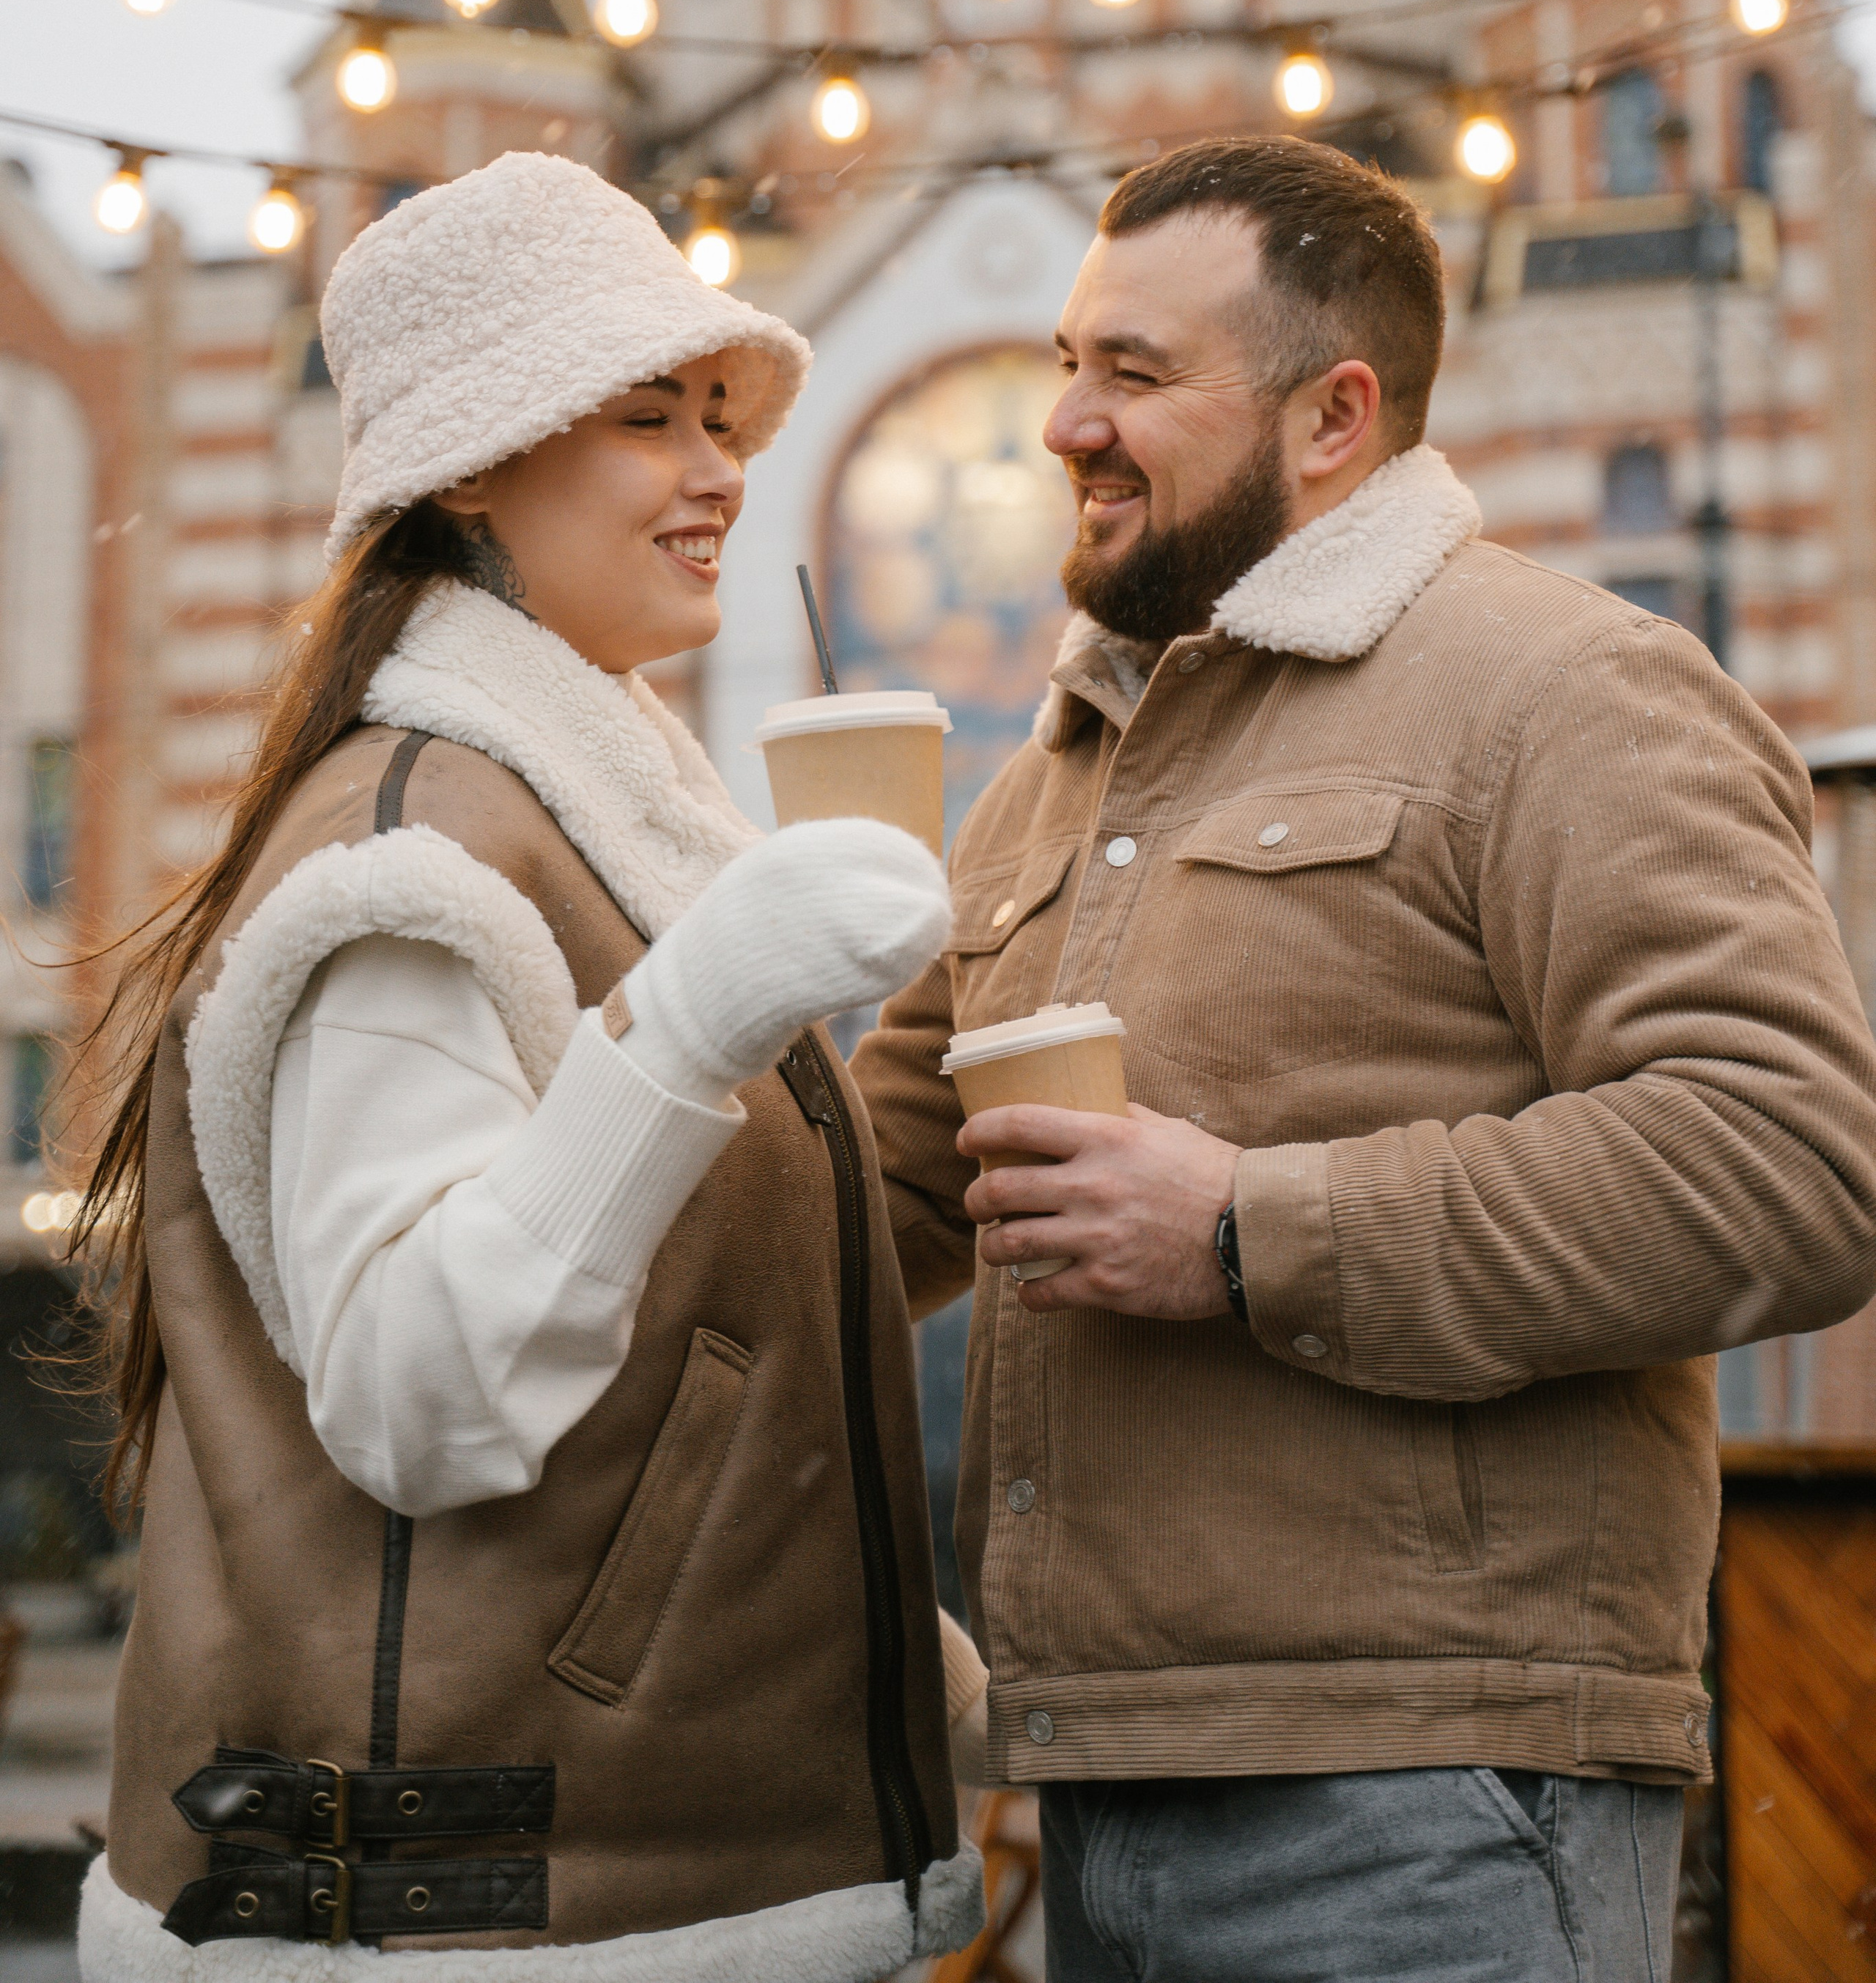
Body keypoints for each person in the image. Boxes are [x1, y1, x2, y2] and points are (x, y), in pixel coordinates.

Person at [854, 133, 1876, 1983]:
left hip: (1441, 1795)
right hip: (1101, 1780)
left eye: (1134, 375)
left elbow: (1788, 1164)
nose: (1064, 423)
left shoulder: (1567, 689)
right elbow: (878, 1200)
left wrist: (1248, 1229)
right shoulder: (1056, 774)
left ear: (1332, 417)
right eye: (1067, 363)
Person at [75, 152, 986, 1979]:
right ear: (473, 467)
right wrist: (699, 1014)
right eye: (651, 419)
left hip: (647, 1886)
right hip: (488, 1920)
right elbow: (421, 1393)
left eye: (718, 417)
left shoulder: (597, 810)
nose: (722, 471)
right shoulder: (411, 860)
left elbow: (699, 1311)